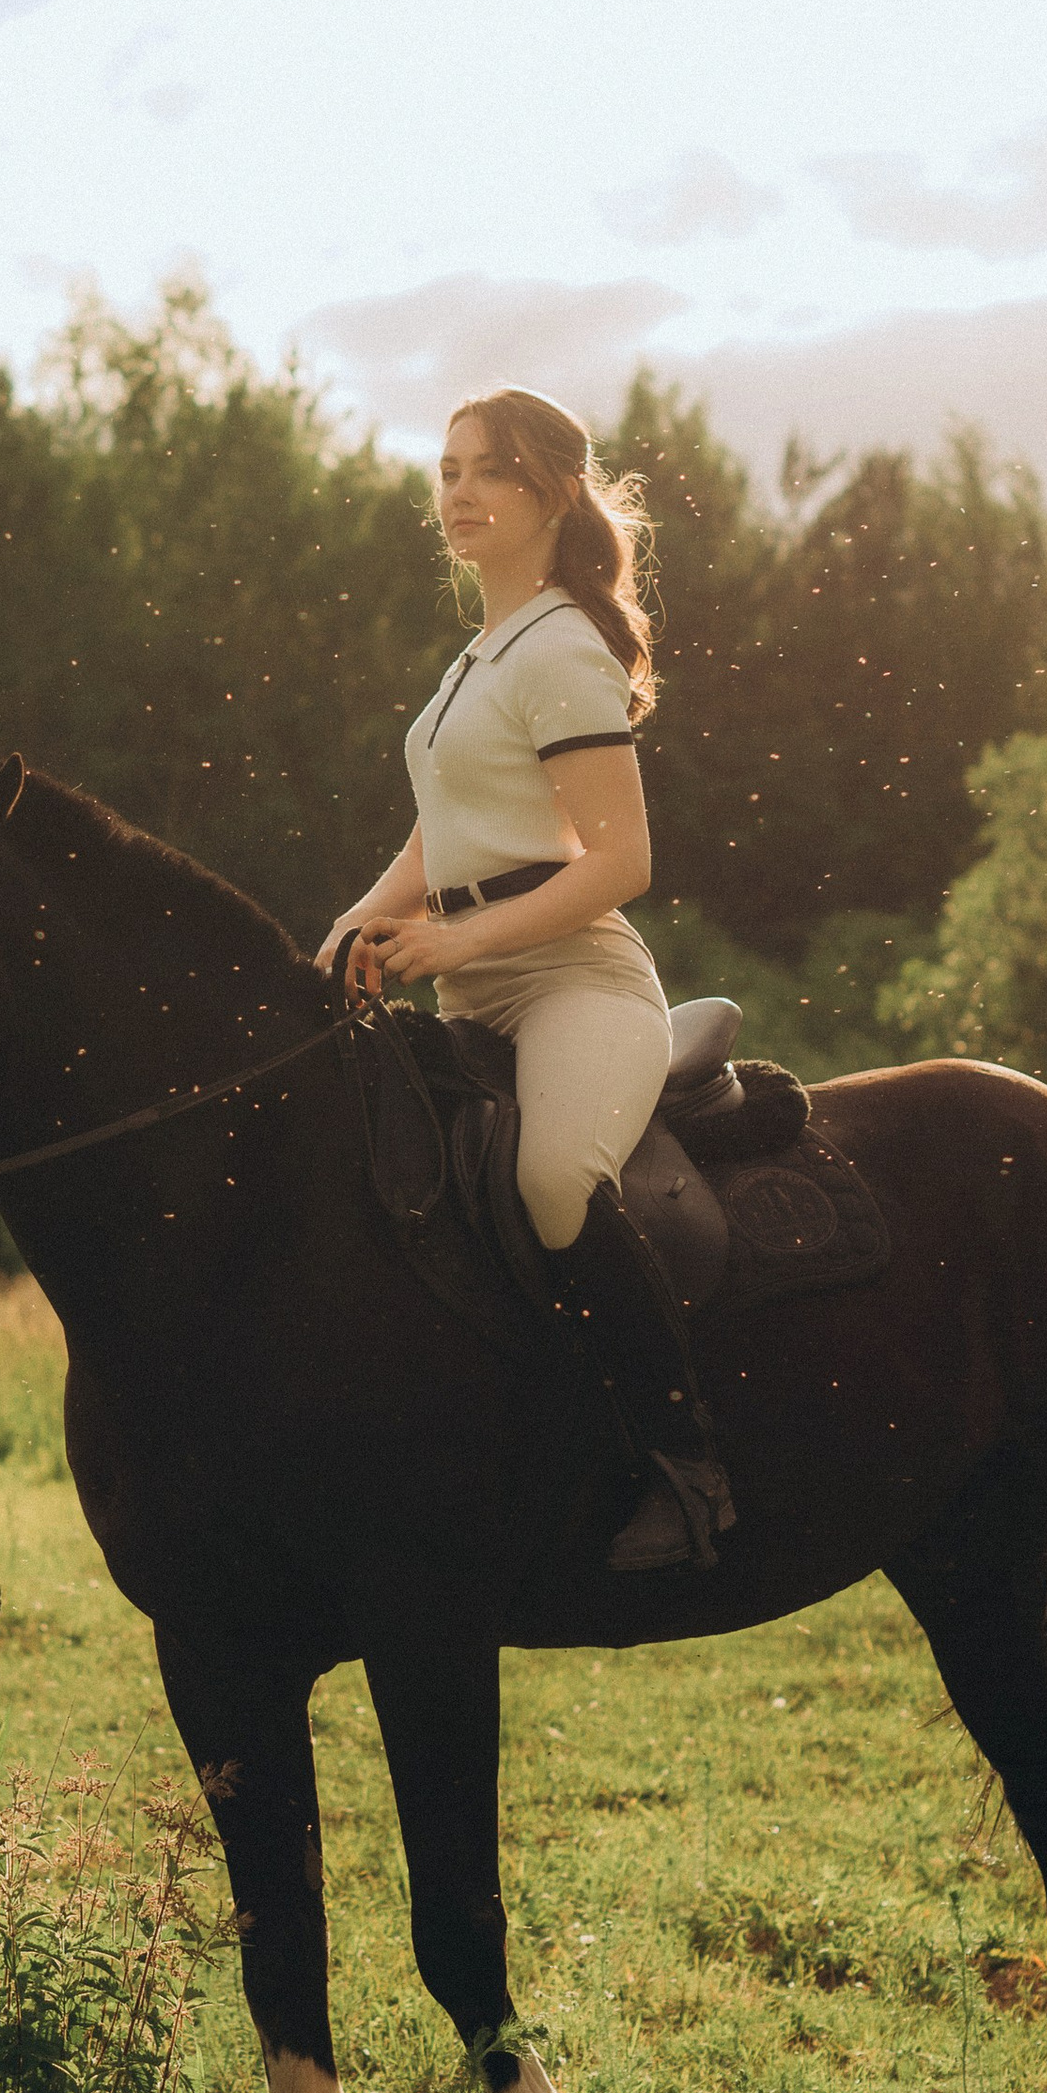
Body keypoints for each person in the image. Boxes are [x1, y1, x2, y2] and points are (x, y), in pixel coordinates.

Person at [318, 386, 735, 1573]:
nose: (456, 492)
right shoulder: (478, 653)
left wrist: (454, 945)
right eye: (446, 468)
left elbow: (623, 861)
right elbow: (439, 833)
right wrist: (351, 926)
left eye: (486, 471)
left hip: (572, 982)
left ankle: (686, 1467)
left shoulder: (558, 646)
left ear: (549, 492)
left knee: (555, 1180)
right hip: (467, 977)